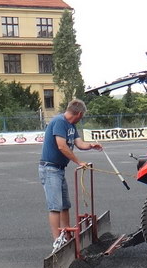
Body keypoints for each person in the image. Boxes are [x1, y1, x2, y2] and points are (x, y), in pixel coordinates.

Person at [40, 99, 101, 253]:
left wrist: (91, 146)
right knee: (55, 206)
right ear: (79, 113)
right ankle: (57, 240)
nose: (82, 118)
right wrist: (78, 161)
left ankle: (66, 234)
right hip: (50, 168)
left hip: (59, 169)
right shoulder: (60, 122)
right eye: (82, 115)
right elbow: (61, 146)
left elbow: (79, 144)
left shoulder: (71, 126)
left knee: (65, 204)